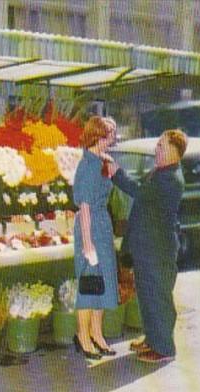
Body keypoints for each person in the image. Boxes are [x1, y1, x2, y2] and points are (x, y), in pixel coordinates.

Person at [108, 129, 188, 363]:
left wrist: (116, 173)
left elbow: (140, 193)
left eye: (162, 146)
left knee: (158, 297)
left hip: (158, 249)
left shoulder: (171, 179)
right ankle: (152, 339)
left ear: (175, 151)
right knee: (146, 295)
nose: (157, 149)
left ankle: (164, 348)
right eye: (158, 144)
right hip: (148, 247)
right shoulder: (161, 172)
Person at [72, 116, 119, 360]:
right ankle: (83, 336)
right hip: (90, 228)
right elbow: (85, 208)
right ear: (98, 137)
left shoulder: (101, 161)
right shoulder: (88, 166)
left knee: (102, 284)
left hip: (102, 226)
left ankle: (97, 334)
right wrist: (88, 245)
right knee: (90, 284)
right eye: (110, 134)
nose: (113, 138)